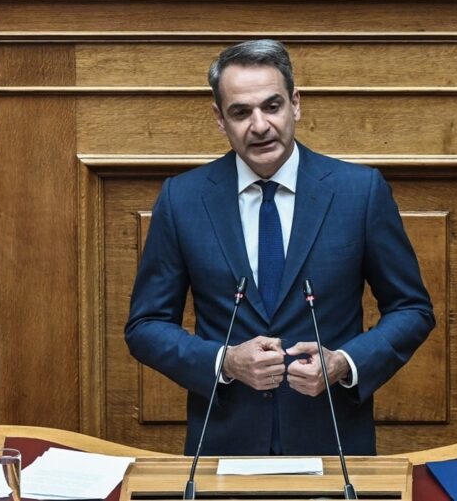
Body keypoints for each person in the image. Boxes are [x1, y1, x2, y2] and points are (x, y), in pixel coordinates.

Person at [125, 39, 434, 456]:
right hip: (225, 447)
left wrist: (344, 362)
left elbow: (412, 309)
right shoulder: (183, 199)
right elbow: (146, 326)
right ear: (220, 119)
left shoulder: (359, 192)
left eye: (272, 106)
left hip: (332, 443)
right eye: (241, 112)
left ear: (295, 105)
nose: (260, 125)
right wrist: (224, 361)